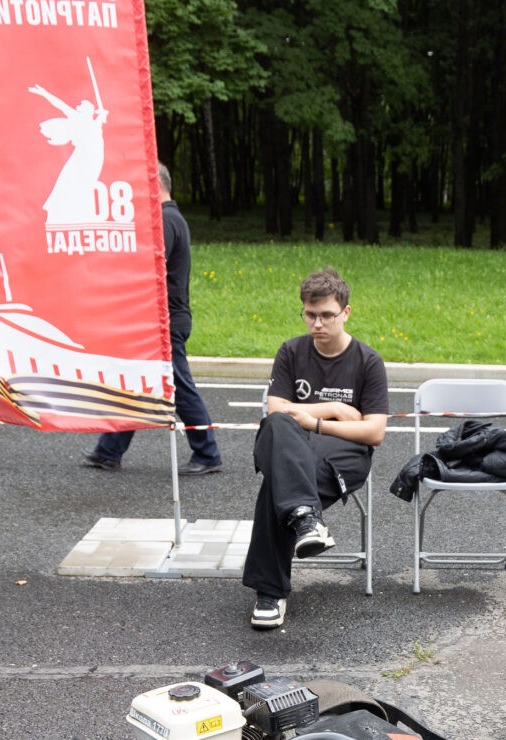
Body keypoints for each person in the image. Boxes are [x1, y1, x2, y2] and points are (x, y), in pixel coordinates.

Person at [244, 267, 388, 630]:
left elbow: (374, 432)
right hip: (292, 447)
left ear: (346, 312)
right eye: (310, 315)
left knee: (278, 485)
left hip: (343, 457)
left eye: (327, 315)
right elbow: (277, 411)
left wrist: (313, 422)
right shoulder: (291, 351)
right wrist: (334, 409)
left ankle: (270, 592)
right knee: (277, 426)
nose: (318, 324)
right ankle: (306, 519)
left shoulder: (368, 362)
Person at [82, 164, 221, 474]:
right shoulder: (170, 219)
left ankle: (208, 454)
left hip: (166, 322)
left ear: (156, 185)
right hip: (160, 320)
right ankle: (109, 451)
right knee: (134, 383)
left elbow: (151, 267)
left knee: (179, 387)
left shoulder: (166, 221)